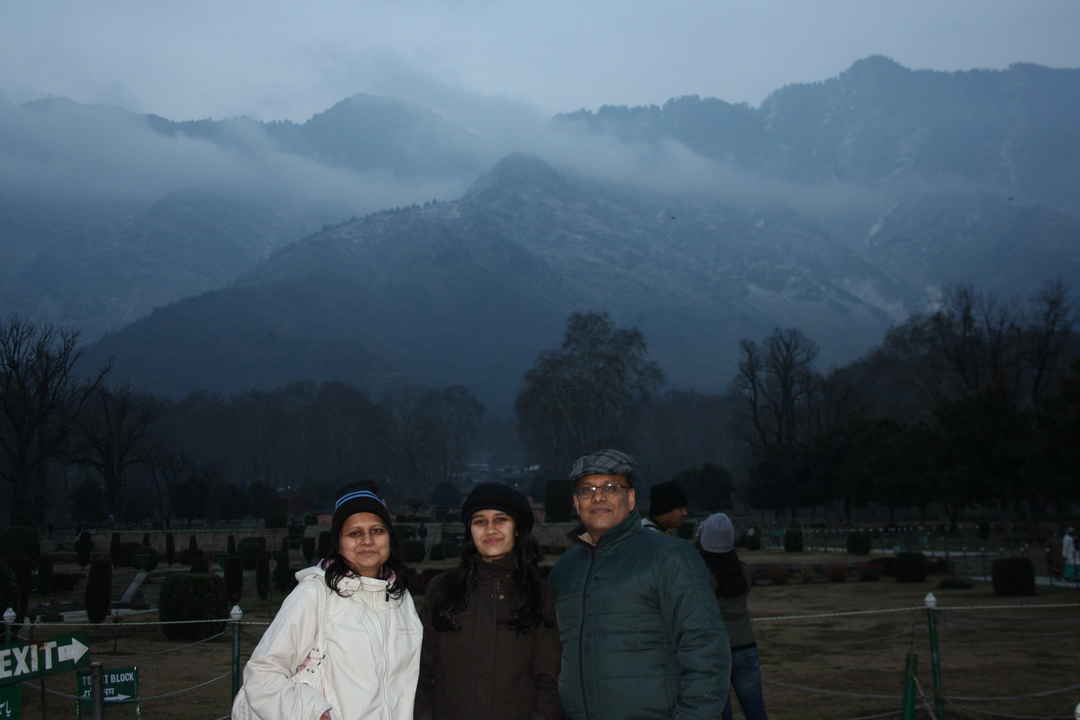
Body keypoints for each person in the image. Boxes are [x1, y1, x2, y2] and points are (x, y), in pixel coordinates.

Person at [550, 449, 730, 720]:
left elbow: (706, 653)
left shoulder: (670, 557)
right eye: (587, 490)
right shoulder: (565, 569)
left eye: (611, 487)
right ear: (576, 503)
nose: (598, 496)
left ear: (631, 498)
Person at [237, 486, 422, 720]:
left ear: (389, 538)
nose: (367, 540)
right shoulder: (315, 594)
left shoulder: (400, 600)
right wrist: (313, 713)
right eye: (354, 533)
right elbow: (262, 673)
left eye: (377, 530)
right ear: (339, 542)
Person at [416, 482, 560, 720]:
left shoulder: (539, 594)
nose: (490, 529)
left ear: (517, 528)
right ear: (470, 531)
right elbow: (423, 669)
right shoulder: (443, 589)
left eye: (501, 519)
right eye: (480, 521)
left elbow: (548, 678)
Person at [698, 513, 768, 720]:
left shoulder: (703, 577)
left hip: (715, 650)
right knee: (756, 710)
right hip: (746, 645)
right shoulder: (743, 571)